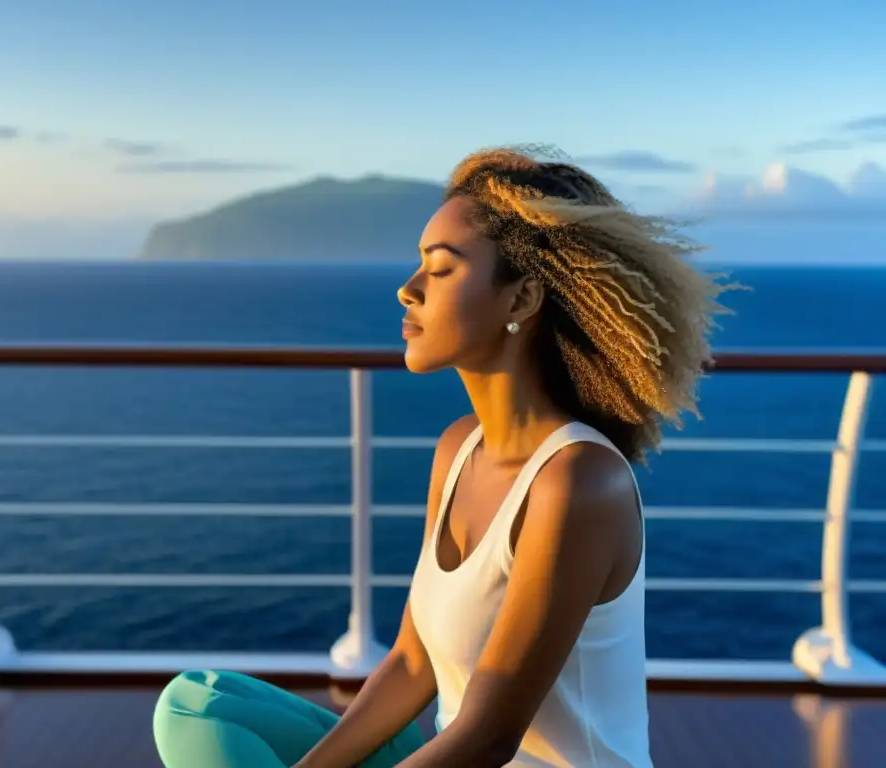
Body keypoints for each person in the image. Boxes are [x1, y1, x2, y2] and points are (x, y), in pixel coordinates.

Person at [151, 145, 736, 767]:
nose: (408, 290)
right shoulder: (460, 448)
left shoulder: (579, 481)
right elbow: (410, 663)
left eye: (442, 268)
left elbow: (488, 738)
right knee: (194, 705)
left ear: (520, 301)